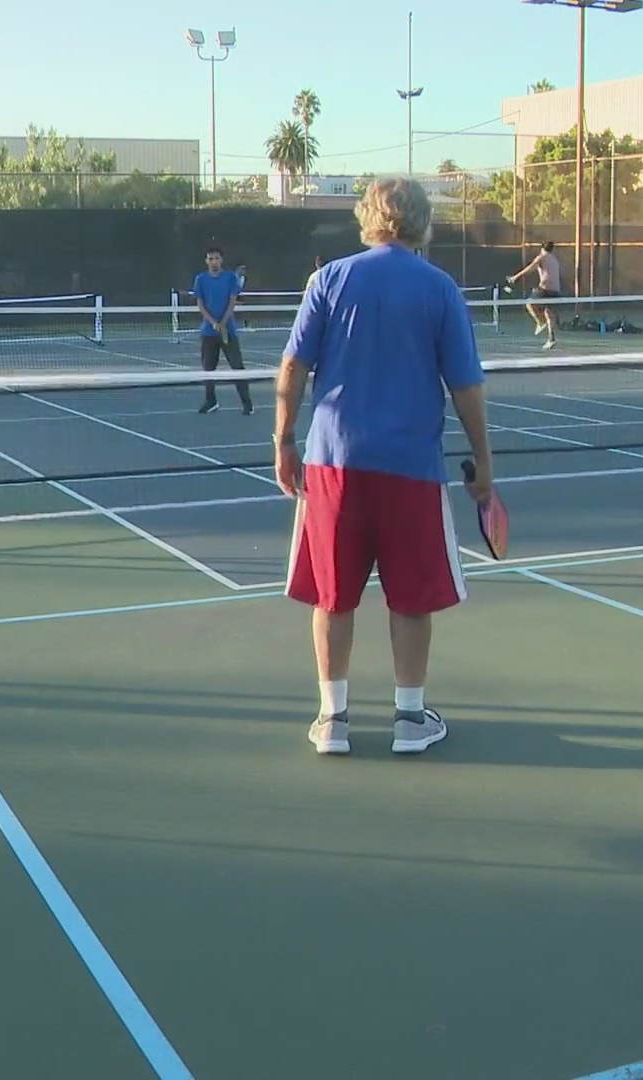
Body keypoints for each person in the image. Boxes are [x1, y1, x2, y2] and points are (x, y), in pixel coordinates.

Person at [272, 177, 493, 757]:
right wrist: (485, 465)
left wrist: (283, 441)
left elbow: (292, 367)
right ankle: (409, 720)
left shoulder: (329, 279)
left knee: (332, 595)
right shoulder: (440, 288)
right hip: (410, 469)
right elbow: (465, 386)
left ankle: (333, 721)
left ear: (366, 218)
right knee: (411, 600)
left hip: (332, 467)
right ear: (422, 223)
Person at [192, 246, 253, 415]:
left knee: (237, 367)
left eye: (216, 258)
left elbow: (232, 301)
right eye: (210, 259)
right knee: (208, 369)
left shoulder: (230, 278)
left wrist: (223, 322)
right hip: (208, 333)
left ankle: (247, 403)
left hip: (229, 332)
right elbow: (200, 305)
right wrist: (212, 322)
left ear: (221, 260)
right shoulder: (200, 279)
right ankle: (210, 402)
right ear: (206, 261)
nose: (213, 262)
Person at [508, 240, 562, 350]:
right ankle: (551, 339)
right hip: (556, 291)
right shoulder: (555, 260)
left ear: (542, 248)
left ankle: (540, 322)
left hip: (545, 289)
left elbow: (530, 268)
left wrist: (515, 277)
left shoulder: (541, 257)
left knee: (529, 303)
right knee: (548, 314)